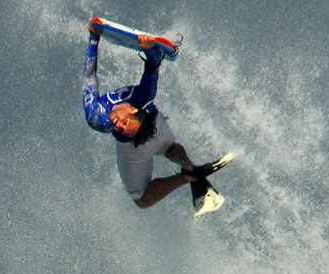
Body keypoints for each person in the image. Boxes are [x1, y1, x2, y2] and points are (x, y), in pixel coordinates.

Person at [82, 21, 233, 215]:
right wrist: (149, 49)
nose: (117, 124)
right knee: (168, 148)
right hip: (145, 137)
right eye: (123, 125)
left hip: (148, 134)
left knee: (142, 199)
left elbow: (90, 76)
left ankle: (188, 174)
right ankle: (190, 170)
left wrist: (94, 39)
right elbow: (153, 63)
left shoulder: (99, 116)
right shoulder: (139, 99)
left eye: (120, 127)